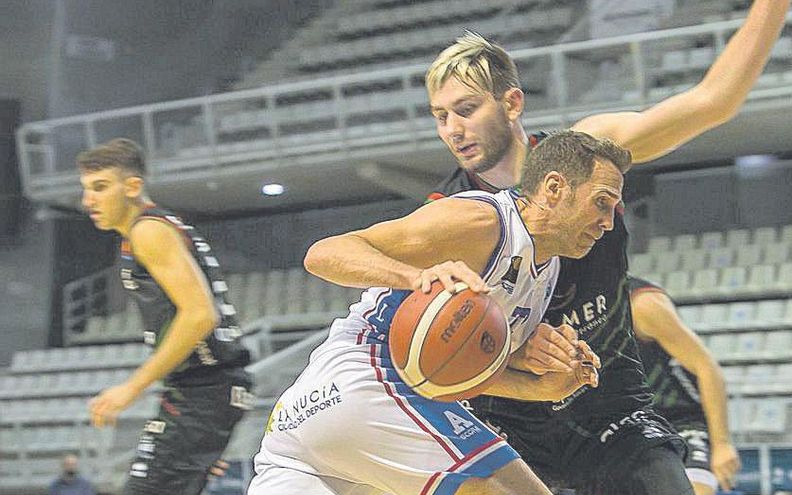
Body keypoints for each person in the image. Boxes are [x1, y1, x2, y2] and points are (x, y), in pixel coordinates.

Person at [424, 1, 791, 493]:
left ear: (512, 103)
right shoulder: (446, 212)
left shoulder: (588, 151)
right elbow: (432, 357)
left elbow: (715, 100)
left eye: (466, 110)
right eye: (440, 115)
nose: (452, 129)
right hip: (511, 426)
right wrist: (512, 351)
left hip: (611, 410)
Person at [247, 131, 621, 495]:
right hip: (367, 380)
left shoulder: (547, 270)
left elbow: (455, 373)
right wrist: (415, 276)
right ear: (554, 188)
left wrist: (540, 387)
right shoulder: (484, 221)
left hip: (305, 426)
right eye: (601, 203)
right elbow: (324, 254)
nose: (608, 222)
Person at [78, 138, 254, 494]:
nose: (88, 201)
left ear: (132, 186)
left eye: (100, 187)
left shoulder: (149, 231)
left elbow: (201, 314)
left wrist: (131, 388)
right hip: (199, 392)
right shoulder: (148, 230)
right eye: (85, 190)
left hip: (205, 388)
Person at [629, 276, 740, 494]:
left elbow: (707, 367)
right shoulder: (559, 309)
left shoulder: (642, 304)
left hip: (681, 420)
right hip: (628, 426)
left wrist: (722, 444)